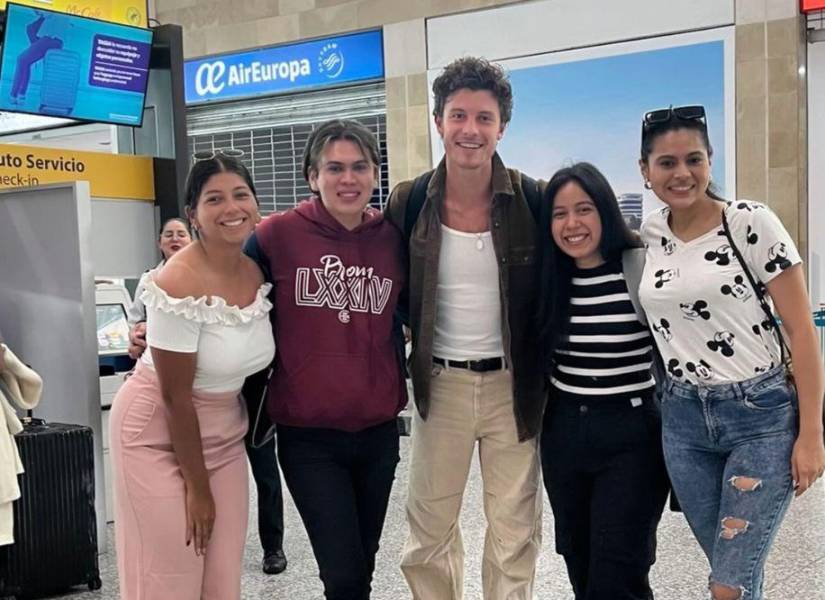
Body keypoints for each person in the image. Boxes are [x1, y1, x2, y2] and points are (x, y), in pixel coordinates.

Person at [637, 105, 825, 600]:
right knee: (737, 571)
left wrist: (811, 434)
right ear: (645, 171)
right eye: (666, 163)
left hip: (759, 418)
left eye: (693, 159)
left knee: (728, 585)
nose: (682, 174)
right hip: (682, 424)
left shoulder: (750, 222)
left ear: (710, 161)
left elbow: (803, 332)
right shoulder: (651, 235)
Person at [385, 56, 545, 600]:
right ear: (438, 122)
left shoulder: (532, 201)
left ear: (502, 126)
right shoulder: (410, 201)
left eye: (483, 117)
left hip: (513, 388)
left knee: (513, 536)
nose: (470, 130)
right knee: (427, 533)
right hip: (441, 386)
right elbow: (386, 286)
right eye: (458, 115)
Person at [244, 119, 406, 600]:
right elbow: (228, 295)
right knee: (344, 575)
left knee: (363, 567)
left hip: (378, 433)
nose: (348, 179)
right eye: (334, 168)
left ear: (376, 174)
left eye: (359, 167)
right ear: (312, 176)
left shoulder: (392, 239)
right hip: (309, 438)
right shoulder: (275, 237)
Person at [109, 154, 275, 600]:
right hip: (158, 432)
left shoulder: (258, 271)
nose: (231, 208)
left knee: (222, 579)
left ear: (257, 206)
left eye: (241, 195)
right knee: (170, 578)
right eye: (214, 199)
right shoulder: (177, 281)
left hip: (225, 437)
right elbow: (175, 396)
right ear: (193, 215)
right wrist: (197, 489)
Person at [125, 215, 288, 575]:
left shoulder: (258, 265)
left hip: (250, 398)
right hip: (181, 403)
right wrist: (140, 337)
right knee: (176, 554)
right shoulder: (165, 281)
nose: (230, 211)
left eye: (177, 233)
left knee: (263, 472)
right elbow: (147, 333)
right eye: (168, 234)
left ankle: (272, 545)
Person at [537, 162, 669, 599]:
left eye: (584, 209)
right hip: (564, 433)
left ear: (605, 211)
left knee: (620, 569)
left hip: (632, 435)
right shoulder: (549, 277)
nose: (572, 224)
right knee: (580, 561)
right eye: (559, 214)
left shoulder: (639, 267)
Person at [127, 218, 192, 359]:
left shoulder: (205, 278)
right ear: (159, 243)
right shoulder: (148, 279)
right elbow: (135, 320)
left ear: (191, 242)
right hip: (153, 360)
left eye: (181, 234)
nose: (175, 239)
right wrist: (135, 337)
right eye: (168, 235)